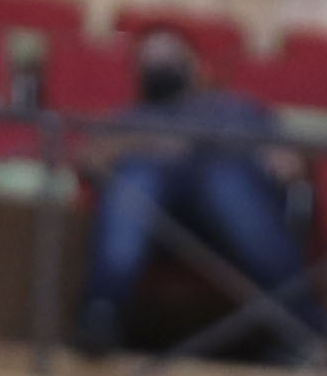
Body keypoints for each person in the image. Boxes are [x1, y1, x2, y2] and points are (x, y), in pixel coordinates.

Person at [78, 29, 311, 357]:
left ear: (196, 65)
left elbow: (290, 163)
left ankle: (299, 326)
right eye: (150, 60)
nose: (158, 65)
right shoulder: (130, 116)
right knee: (137, 179)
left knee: (224, 181)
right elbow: (90, 159)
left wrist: (275, 162)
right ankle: (102, 313)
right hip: (159, 225)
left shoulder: (237, 109)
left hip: (226, 213)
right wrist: (146, 143)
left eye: (168, 58)